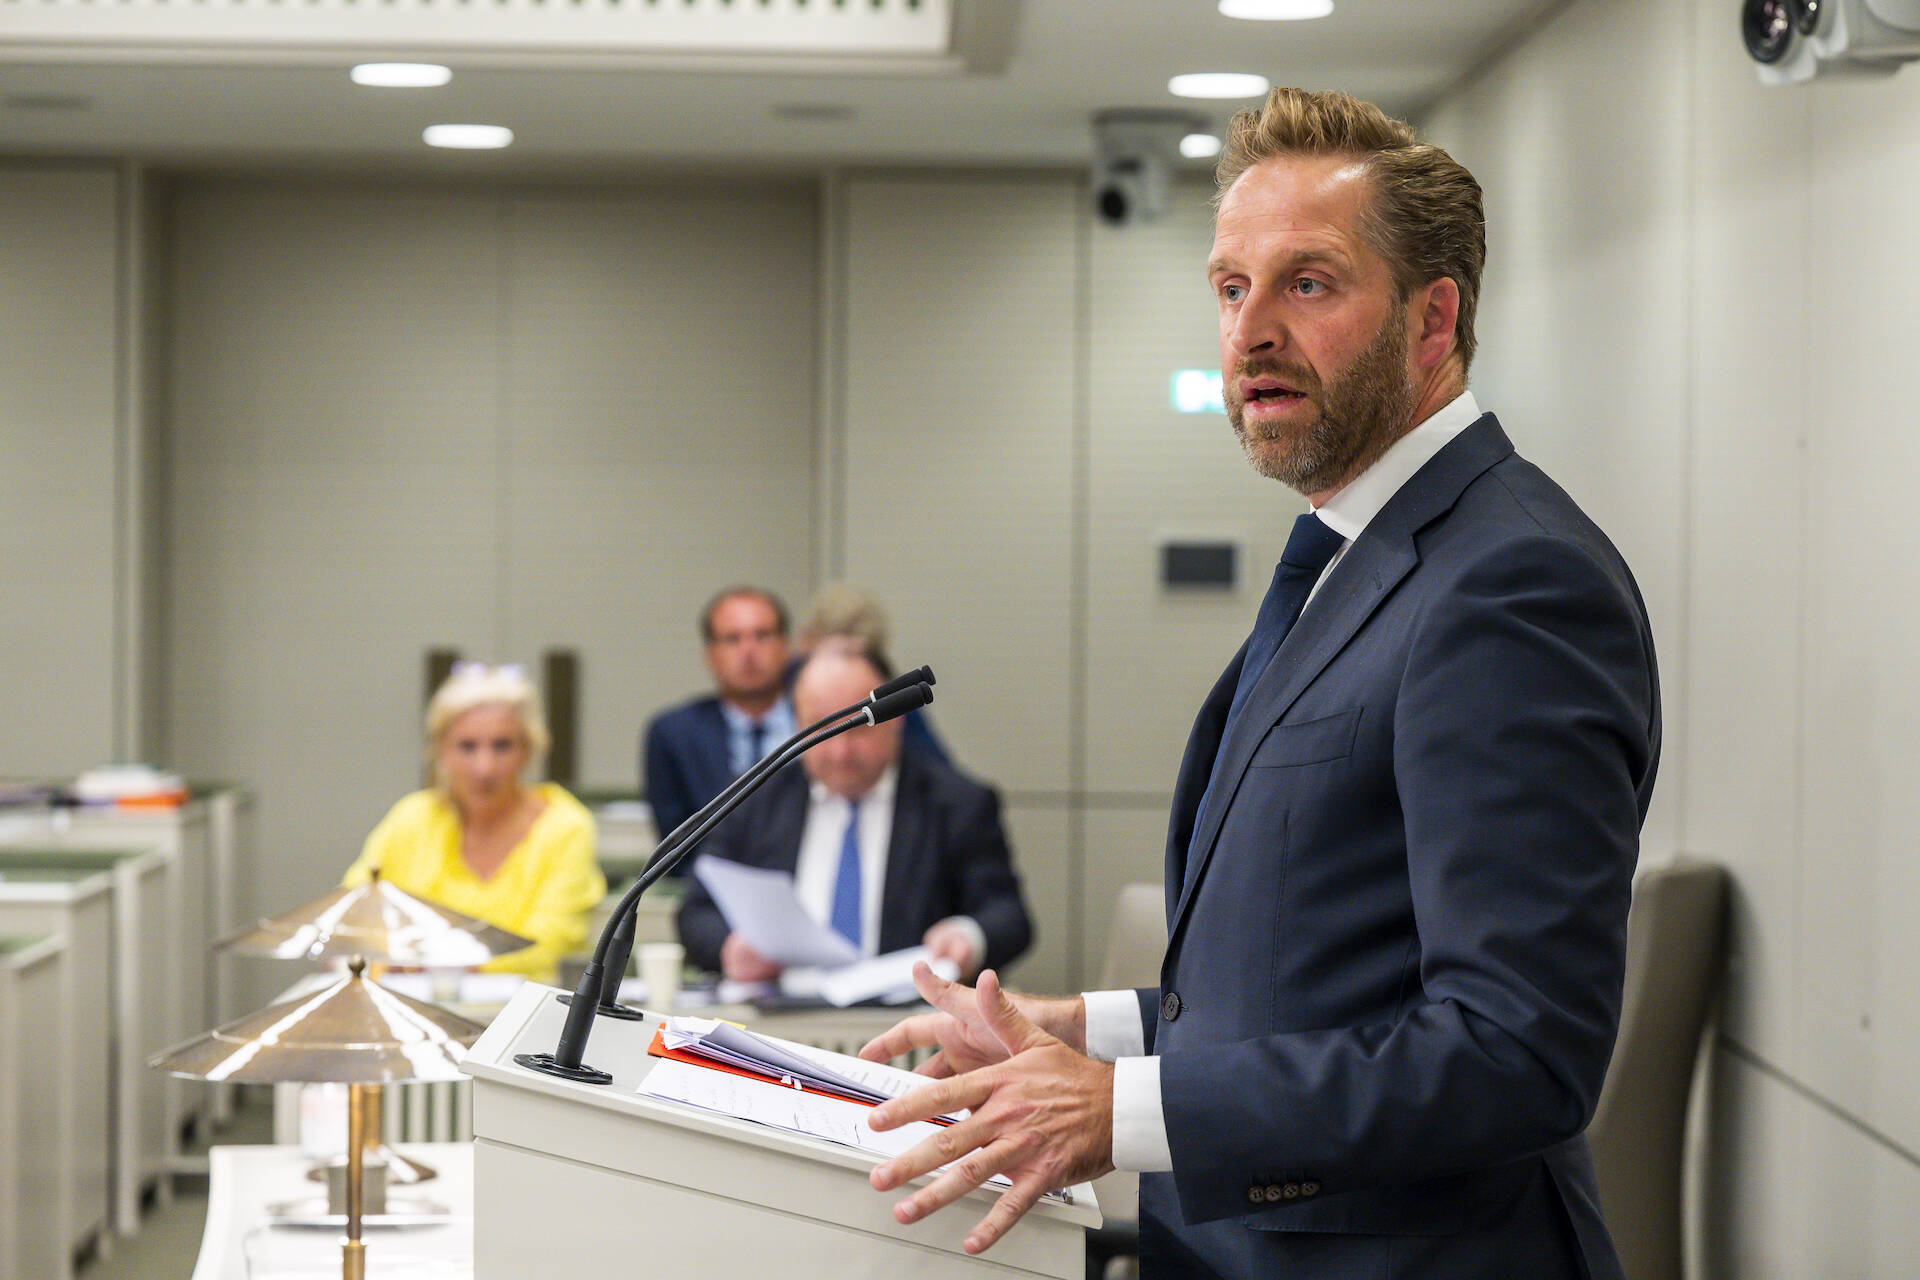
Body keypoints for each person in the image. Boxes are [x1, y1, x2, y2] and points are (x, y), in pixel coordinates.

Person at [857, 86, 1660, 1280]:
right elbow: (1326, 972)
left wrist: (1119, 1108)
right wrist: (1086, 1029)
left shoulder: (1513, 582)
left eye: (1309, 283)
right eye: (1232, 288)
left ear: (1433, 319)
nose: (1251, 332)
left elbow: (1514, 1049)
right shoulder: (1361, 553)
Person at [675, 647, 1032, 983]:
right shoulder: (756, 798)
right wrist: (730, 947)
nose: (840, 752)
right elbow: (696, 911)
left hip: (908, 1013)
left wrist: (968, 936)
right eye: (823, 728)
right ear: (796, 721)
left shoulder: (956, 803)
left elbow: (1008, 915)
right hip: (780, 1011)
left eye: (860, 727)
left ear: (896, 719)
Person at [343, 662, 606, 984]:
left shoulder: (565, 825)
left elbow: (555, 944)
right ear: (440, 750)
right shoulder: (413, 818)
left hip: (528, 1006)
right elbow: (350, 912)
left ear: (529, 748)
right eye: (467, 747)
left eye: (502, 746)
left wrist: (439, 966)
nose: (485, 768)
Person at [641, 586, 795, 852]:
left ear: (785, 646)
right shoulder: (674, 735)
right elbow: (675, 848)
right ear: (710, 655)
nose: (748, 651)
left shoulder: (821, 725)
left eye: (762, 635)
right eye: (732, 639)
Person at [792, 580, 949, 763]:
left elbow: (933, 763)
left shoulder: (887, 695)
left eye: (854, 656)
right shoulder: (788, 682)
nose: (840, 752)